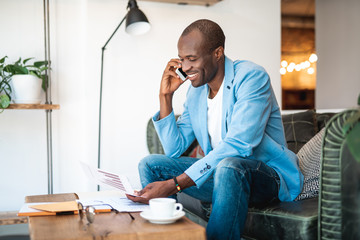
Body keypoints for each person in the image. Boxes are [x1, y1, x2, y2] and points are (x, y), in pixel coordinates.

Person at [127, 19, 304, 240]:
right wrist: (166, 97)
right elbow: (174, 149)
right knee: (151, 164)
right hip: (223, 175)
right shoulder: (196, 92)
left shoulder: (251, 77)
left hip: (266, 177)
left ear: (218, 53)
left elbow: (240, 145)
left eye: (192, 59)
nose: (184, 67)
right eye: (181, 59)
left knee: (229, 166)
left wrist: (175, 184)